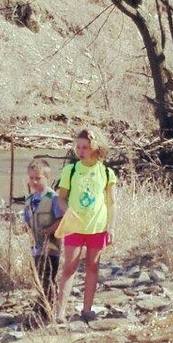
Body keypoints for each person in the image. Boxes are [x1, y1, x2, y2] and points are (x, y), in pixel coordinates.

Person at [54, 129, 117, 323]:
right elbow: (61, 199)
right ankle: (60, 313)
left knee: (92, 266)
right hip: (74, 226)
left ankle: (87, 310)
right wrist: (67, 211)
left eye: (86, 147)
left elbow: (111, 202)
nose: (81, 151)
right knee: (69, 267)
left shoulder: (106, 172)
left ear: (95, 147)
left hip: (97, 227)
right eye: (78, 147)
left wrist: (111, 227)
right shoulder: (70, 171)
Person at [22, 158, 63, 320]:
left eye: (38, 178)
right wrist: (24, 228)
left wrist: (49, 230)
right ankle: (41, 304)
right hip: (35, 247)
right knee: (38, 277)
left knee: (48, 277)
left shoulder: (53, 198)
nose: (34, 181)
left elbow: (61, 220)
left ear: (47, 177)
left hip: (51, 247)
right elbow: (27, 221)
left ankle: (48, 308)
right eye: (31, 178)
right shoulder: (29, 200)